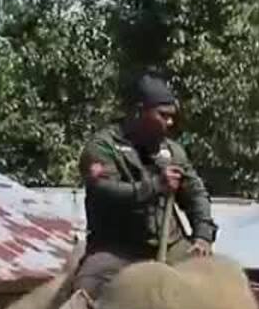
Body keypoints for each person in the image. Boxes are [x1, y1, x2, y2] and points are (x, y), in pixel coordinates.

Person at [71, 75, 217, 297]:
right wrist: (156, 185)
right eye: (163, 116)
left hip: (171, 246)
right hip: (117, 250)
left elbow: (195, 193)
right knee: (86, 289)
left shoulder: (172, 151)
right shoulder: (103, 147)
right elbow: (104, 192)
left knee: (217, 286)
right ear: (139, 111)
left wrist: (203, 235)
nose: (169, 123)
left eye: (172, 117)